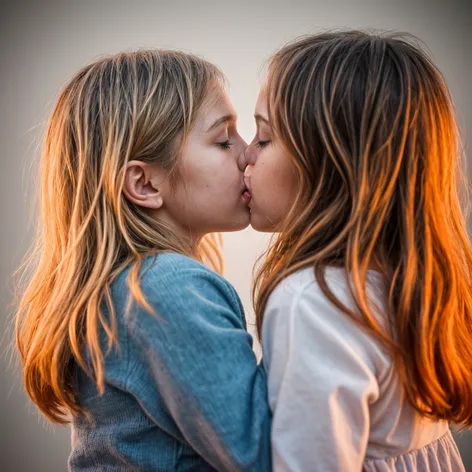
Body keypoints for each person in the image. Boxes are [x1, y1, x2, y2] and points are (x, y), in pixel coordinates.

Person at [14, 50, 271, 471]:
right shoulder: (165, 287)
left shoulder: (132, 286)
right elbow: (260, 454)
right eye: (224, 140)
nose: (247, 154)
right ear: (145, 183)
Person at [245, 31, 470, 471]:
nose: (245, 155)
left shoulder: (312, 303)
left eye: (265, 139)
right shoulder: (405, 282)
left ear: (329, 162)